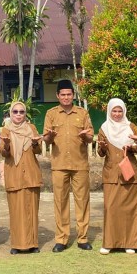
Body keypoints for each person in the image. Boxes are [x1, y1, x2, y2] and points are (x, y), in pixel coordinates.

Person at [42, 79, 94, 252]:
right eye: (62, 94)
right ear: (57, 96)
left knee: (82, 201)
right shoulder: (51, 114)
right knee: (60, 202)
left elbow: (90, 137)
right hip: (59, 164)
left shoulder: (83, 113)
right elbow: (47, 140)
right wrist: (49, 136)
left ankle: (82, 238)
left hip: (80, 164)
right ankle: (61, 239)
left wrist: (86, 135)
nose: (66, 97)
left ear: (73, 95)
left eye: (69, 94)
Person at [96, 98, 137, 255]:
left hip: (129, 173)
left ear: (124, 111)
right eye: (114, 111)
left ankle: (130, 242)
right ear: (109, 112)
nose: (117, 114)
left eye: (120, 111)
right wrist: (102, 147)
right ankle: (110, 243)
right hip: (111, 173)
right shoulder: (104, 128)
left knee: (130, 209)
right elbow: (101, 153)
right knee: (111, 208)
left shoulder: (131, 127)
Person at [0, 100, 43, 254]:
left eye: (21, 112)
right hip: (14, 173)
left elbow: (37, 151)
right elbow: (4, 153)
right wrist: (7, 144)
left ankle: (33, 244)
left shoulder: (31, 128)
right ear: (11, 113)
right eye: (15, 112)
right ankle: (17, 245)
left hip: (31, 173)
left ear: (25, 114)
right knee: (16, 210)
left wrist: (36, 144)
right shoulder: (6, 130)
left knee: (32, 209)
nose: (18, 115)